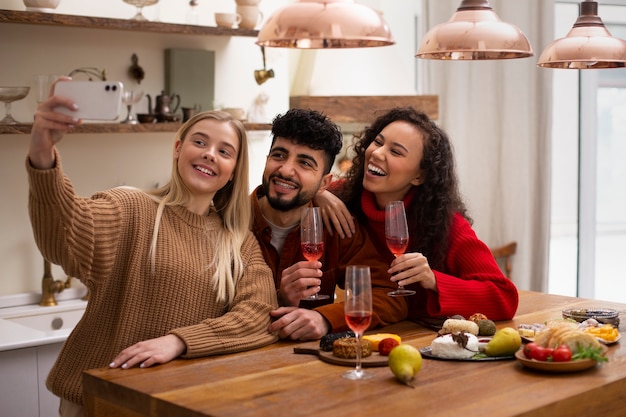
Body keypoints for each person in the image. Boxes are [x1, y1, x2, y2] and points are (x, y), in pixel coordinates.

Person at [26, 84, 278, 416]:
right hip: (98, 401)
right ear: (178, 149)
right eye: (199, 142)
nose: (209, 154)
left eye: (224, 151)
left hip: (175, 404)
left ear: (233, 172)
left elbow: (259, 316)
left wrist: (179, 341)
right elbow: (66, 234)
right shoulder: (132, 208)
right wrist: (42, 153)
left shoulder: (237, 243)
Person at [315, 107, 519, 321]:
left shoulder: (446, 224)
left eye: (395, 152)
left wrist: (432, 280)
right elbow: (298, 191)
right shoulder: (342, 198)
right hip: (365, 333)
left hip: (422, 341)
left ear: (419, 176)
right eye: (378, 142)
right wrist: (318, 194)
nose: (376, 153)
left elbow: (504, 298)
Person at [250, 108, 407, 341]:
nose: (284, 170)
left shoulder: (336, 227)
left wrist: (326, 318)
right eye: (279, 155)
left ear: (324, 182)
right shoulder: (231, 221)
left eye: (304, 163)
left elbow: (391, 297)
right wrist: (278, 298)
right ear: (267, 160)